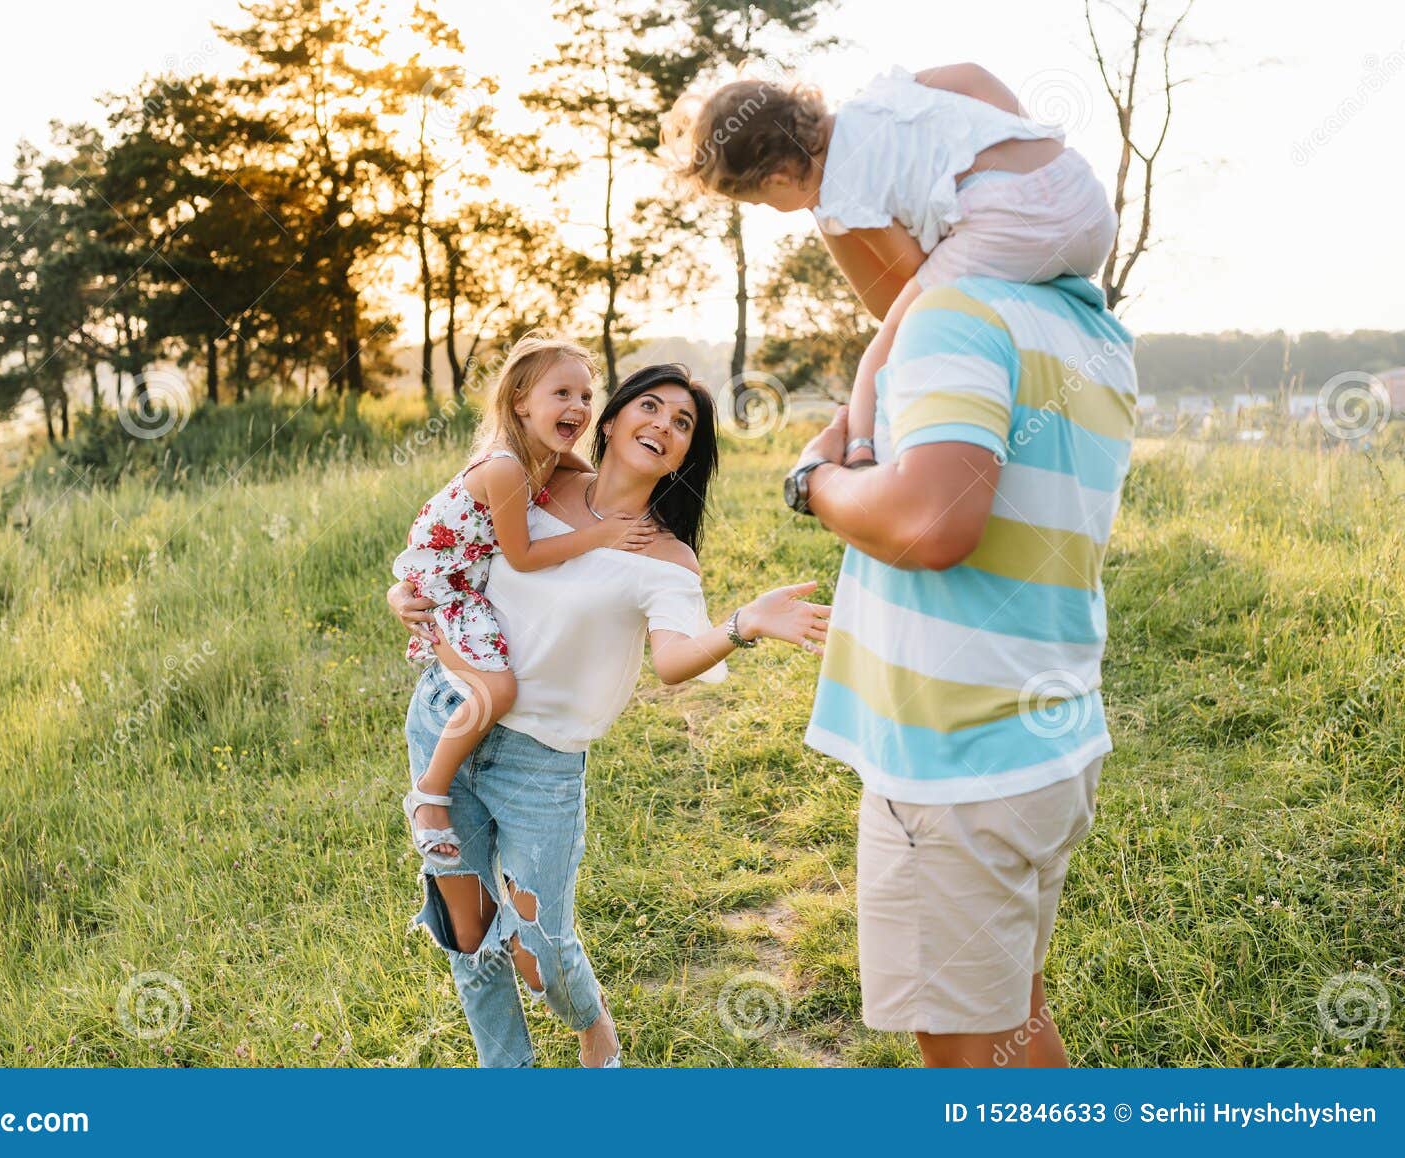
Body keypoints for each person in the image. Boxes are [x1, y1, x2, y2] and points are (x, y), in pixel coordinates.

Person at [387, 364, 832, 1067]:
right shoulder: (536, 480)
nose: (662, 425)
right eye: (649, 407)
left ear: (688, 454)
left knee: (540, 954)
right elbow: (455, 547)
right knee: (468, 935)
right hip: (448, 717)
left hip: (543, 762)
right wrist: (404, 596)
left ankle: (593, 1023)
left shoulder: (666, 558)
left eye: (682, 423)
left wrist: (744, 623)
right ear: (614, 419)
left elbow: (675, 660)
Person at [779, 269, 1137, 1067]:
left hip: (955, 768)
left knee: (970, 1066)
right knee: (1015, 1024)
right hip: (1046, 748)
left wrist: (815, 481)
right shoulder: (1093, 332)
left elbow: (930, 524)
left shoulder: (959, 313)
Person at [663, 63, 1117, 467]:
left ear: (779, 179)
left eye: (763, 201)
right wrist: (1011, 134)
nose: (770, 208)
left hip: (1018, 224)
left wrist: (822, 214)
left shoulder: (843, 195)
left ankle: (860, 449)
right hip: (1079, 189)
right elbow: (971, 76)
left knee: (892, 336)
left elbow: (908, 272)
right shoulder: (881, 96)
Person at [391, 335, 653, 867]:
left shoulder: (549, 457)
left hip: (464, 578)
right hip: (448, 584)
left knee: (496, 684)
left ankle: (438, 786)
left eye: (585, 396)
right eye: (562, 393)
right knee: (498, 688)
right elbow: (525, 555)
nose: (577, 406)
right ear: (520, 402)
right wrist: (601, 537)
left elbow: (597, 482)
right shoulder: (508, 467)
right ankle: (429, 794)